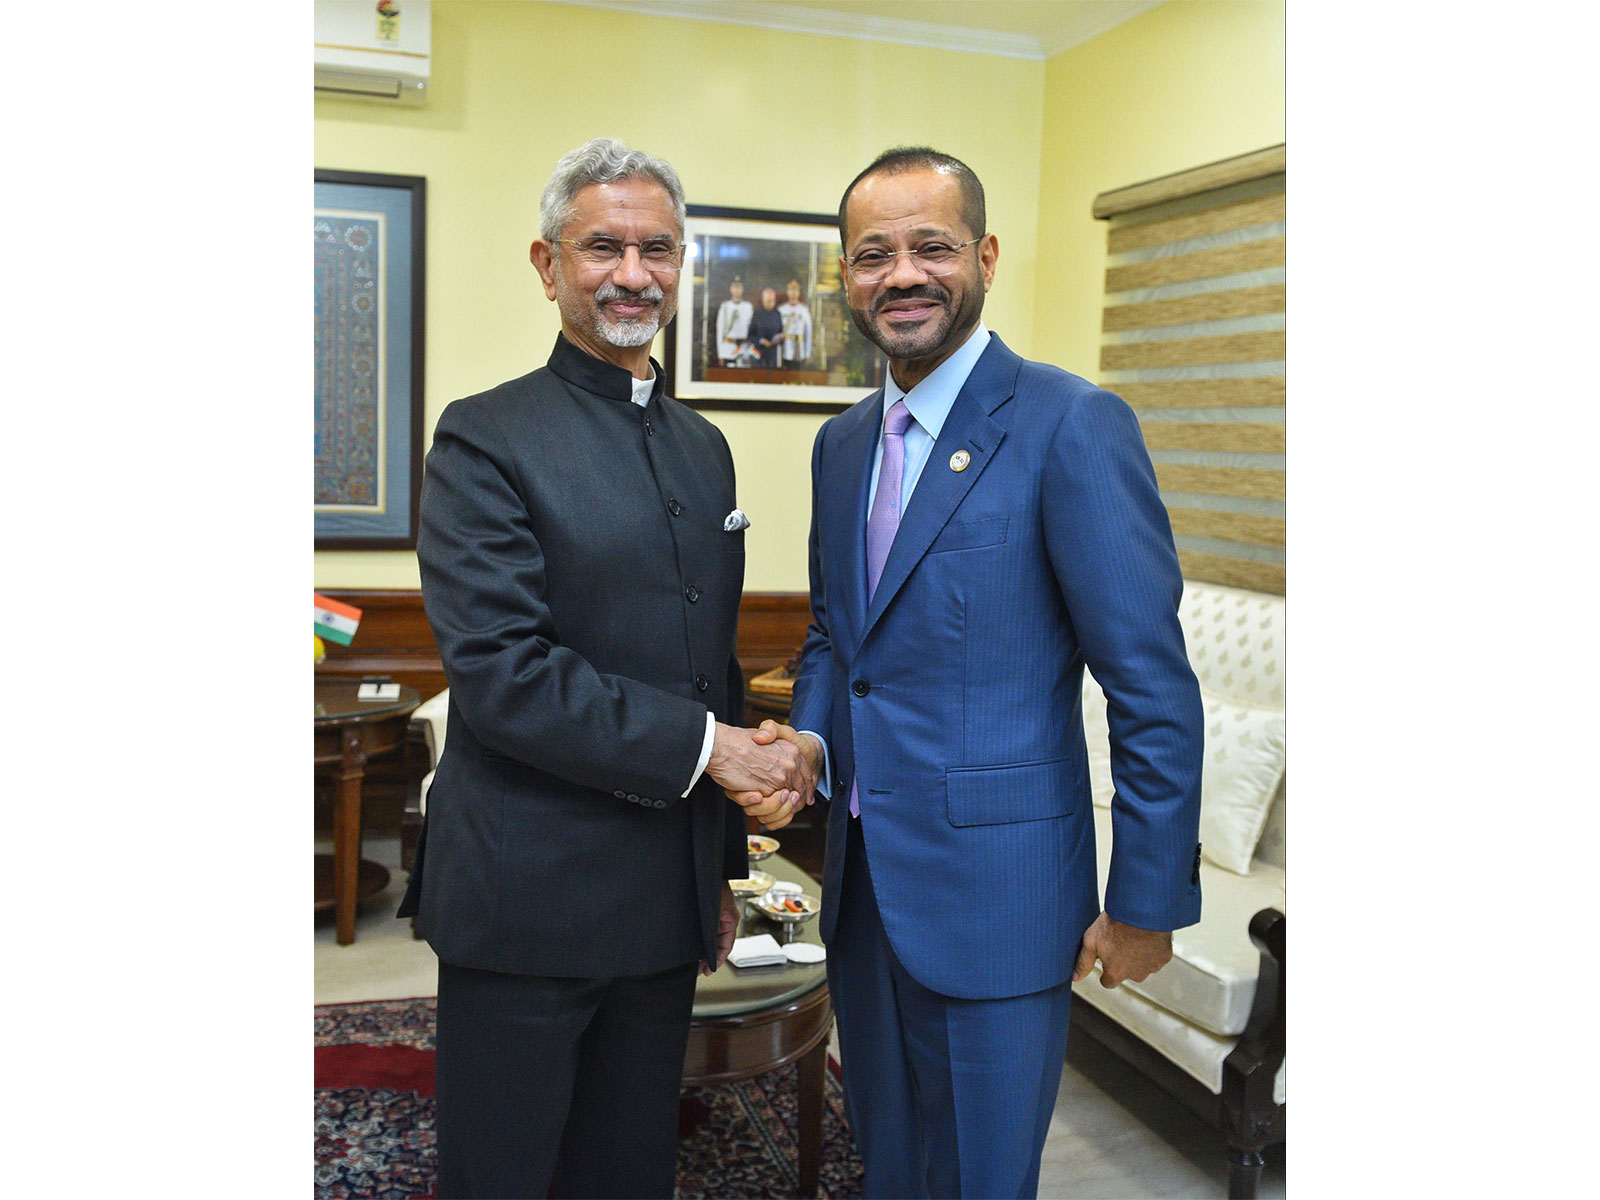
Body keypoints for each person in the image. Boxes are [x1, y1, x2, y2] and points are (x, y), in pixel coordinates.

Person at [742, 147, 1205, 1198]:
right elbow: (832, 639)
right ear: (845, 279)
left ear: (984, 256)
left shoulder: (1070, 424)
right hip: (860, 888)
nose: (902, 274)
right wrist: (811, 737)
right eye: (873, 255)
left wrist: (1145, 900)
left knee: (983, 1180)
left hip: (1000, 898)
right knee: (891, 1163)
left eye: (931, 247)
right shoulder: (843, 443)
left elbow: (1149, 685)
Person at [398, 136, 814, 1200]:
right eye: (602, 248)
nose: (633, 273)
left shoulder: (700, 446)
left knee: (628, 1167)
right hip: (526, 896)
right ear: (548, 266)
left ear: (681, 267)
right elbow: (503, 675)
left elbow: (706, 665)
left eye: (657, 249)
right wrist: (716, 753)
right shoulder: (483, 439)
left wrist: (715, 875)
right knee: (505, 1172)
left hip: (658, 899)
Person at [715, 276, 753, 365]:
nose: (736, 290)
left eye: (739, 287)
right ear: (730, 289)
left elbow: (751, 329)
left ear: (742, 289)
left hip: (743, 348)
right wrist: (720, 354)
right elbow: (720, 330)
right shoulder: (725, 306)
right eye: (734, 287)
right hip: (728, 348)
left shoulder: (748, 307)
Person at [778, 278, 813, 367]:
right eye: (791, 290)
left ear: (799, 293)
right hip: (786, 348)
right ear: (787, 292)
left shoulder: (804, 310)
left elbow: (808, 333)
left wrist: (807, 353)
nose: (793, 293)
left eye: (795, 290)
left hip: (800, 348)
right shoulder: (781, 310)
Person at [748, 285, 784, 367]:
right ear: (763, 300)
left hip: (773, 354)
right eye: (768, 301)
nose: (770, 303)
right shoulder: (757, 314)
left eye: (772, 301)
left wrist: (781, 338)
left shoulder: (777, 314)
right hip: (759, 354)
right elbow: (750, 336)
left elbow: (781, 332)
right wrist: (761, 341)